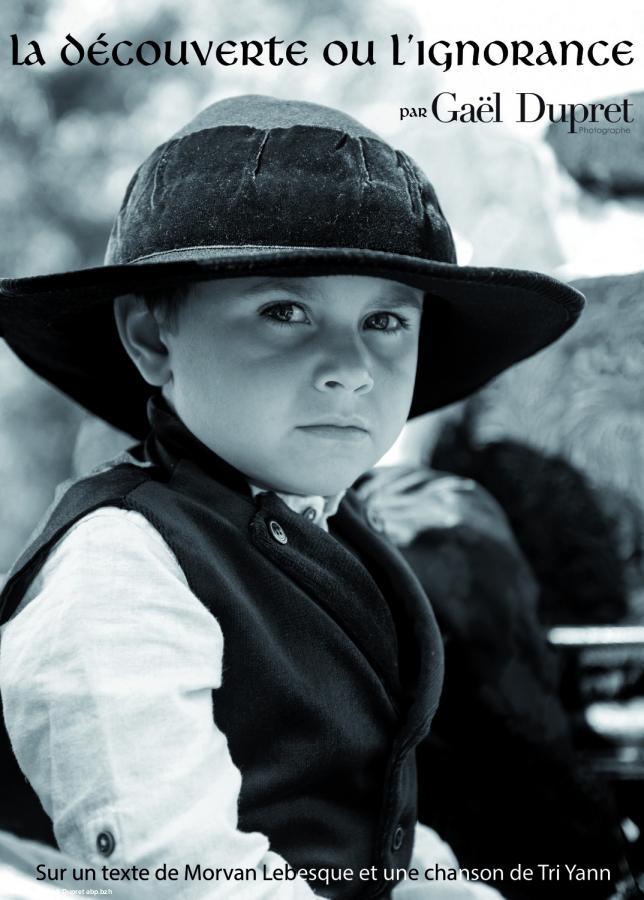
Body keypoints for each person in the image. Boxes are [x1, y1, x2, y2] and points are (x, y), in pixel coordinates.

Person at [0, 95, 583, 898]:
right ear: (149, 337)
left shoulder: (335, 533)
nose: (351, 366)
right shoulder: (119, 568)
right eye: (285, 310)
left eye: (385, 320)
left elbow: (372, 819)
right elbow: (177, 876)